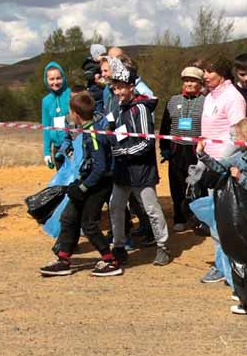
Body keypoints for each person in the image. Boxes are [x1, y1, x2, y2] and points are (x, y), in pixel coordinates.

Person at [195, 116, 247, 313]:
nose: (235, 137)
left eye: (238, 134)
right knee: (244, 256)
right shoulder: (241, 156)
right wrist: (202, 154)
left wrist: (241, 178)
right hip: (244, 211)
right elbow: (219, 166)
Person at [39, 92, 121, 277]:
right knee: (69, 218)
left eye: (70, 111)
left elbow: (100, 168)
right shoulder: (85, 131)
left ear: (76, 113)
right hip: (87, 181)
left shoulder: (93, 135)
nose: (69, 115)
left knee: (89, 223)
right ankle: (63, 259)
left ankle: (110, 260)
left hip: (98, 185)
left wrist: (83, 187)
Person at [106, 56, 171, 267]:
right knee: (116, 206)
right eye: (115, 88)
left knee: (150, 208)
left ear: (132, 87)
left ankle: (163, 246)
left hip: (141, 168)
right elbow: (114, 132)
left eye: (122, 88)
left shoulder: (141, 109)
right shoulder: (116, 107)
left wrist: (122, 151)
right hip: (122, 169)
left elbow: (146, 143)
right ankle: (118, 245)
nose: (118, 92)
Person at [196, 57, 247, 283]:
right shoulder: (209, 97)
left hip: (225, 166)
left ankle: (234, 266)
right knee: (215, 218)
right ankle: (221, 263)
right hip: (209, 163)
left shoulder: (234, 97)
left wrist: (221, 165)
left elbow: (236, 134)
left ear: (222, 73)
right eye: (204, 71)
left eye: (210, 71)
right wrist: (203, 159)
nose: (205, 75)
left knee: (229, 219)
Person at [159, 66, 206, 230]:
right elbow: (165, 126)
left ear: (200, 83)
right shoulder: (173, 100)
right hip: (176, 149)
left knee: (198, 184)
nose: (189, 83)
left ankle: (200, 218)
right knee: (176, 185)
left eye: (193, 80)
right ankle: (179, 217)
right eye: (186, 80)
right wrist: (164, 148)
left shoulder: (206, 101)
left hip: (196, 150)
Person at [40, 61, 72, 170]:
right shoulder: (46, 101)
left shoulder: (71, 95)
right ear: (46, 80)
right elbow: (46, 127)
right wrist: (47, 153)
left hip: (72, 146)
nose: (55, 82)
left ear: (63, 77)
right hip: (57, 148)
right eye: (51, 79)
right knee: (61, 182)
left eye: (58, 78)